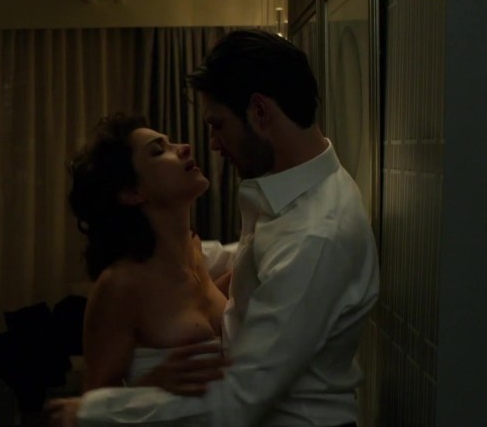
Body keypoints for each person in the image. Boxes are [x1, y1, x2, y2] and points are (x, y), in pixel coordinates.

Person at [48, 29, 380, 427]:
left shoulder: (313, 235)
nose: (211, 144)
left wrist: (94, 411)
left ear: (259, 112)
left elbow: (242, 397)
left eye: (218, 125)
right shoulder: (287, 203)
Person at [66, 114, 234, 408]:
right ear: (132, 193)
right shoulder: (120, 284)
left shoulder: (194, 254)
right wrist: (152, 383)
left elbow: (193, 302)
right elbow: (91, 408)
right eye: (158, 151)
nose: (184, 147)